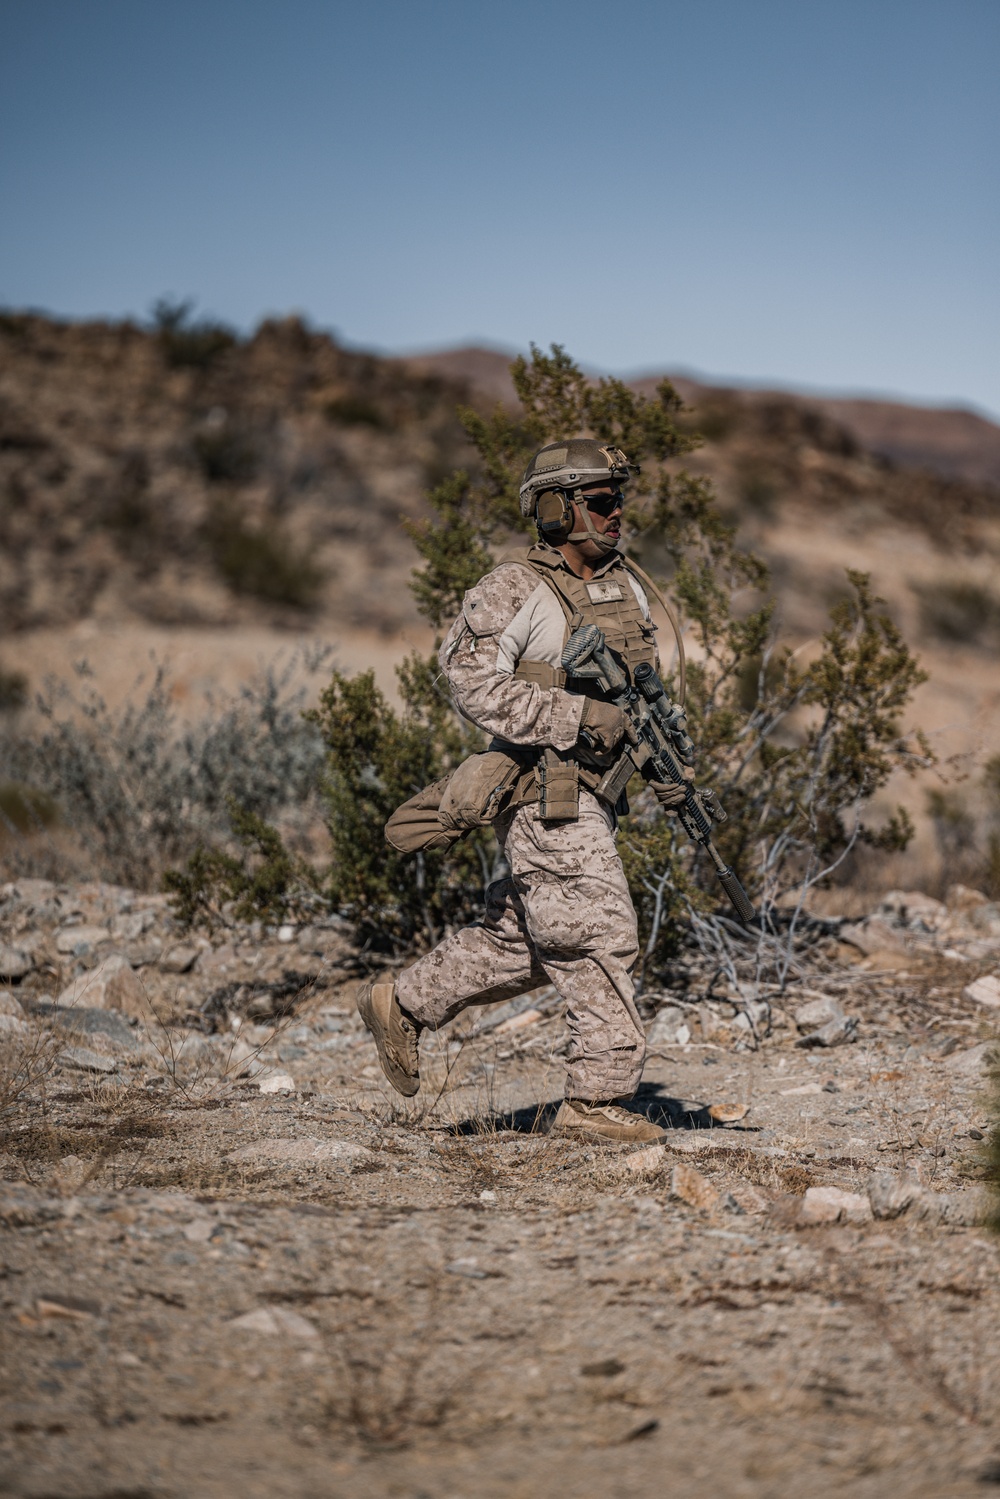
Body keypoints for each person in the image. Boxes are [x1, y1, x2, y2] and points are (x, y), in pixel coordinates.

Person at [358, 439, 688, 1143]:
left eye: (617, 500)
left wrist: (666, 771)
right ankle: (595, 1103)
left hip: (596, 790)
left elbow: (637, 697)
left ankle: (403, 1003)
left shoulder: (623, 586)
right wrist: (573, 716)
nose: (615, 513)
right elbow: (469, 680)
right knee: (598, 933)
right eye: (600, 502)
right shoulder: (516, 586)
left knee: (530, 940)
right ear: (554, 508)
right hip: (547, 791)